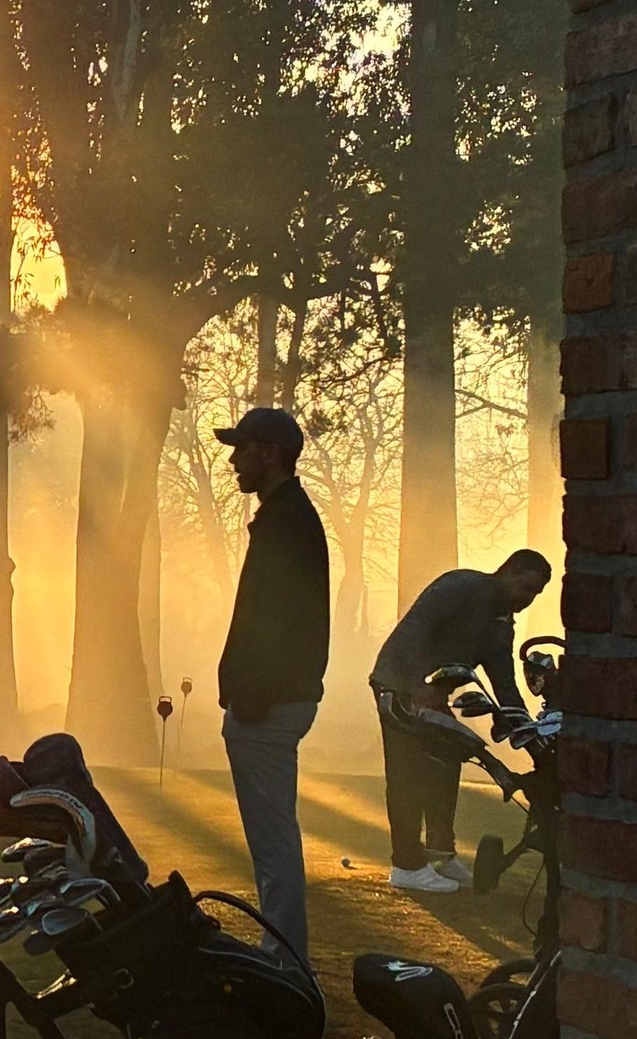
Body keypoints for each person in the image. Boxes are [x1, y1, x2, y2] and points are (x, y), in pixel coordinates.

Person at [215, 406, 331, 967]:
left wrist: (249, 694)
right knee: (272, 839)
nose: (234, 460)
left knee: (273, 841)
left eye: (243, 448)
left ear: (271, 453)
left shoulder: (287, 523)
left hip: (270, 704)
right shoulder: (285, 517)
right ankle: (284, 953)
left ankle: (285, 960)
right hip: (274, 699)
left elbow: (280, 619)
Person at [370, 549, 553, 894]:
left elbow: (504, 684)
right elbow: (415, 630)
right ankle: (406, 865)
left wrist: (530, 734)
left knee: (445, 764)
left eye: (537, 593)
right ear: (510, 572)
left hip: (432, 697)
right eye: (527, 588)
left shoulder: (501, 624)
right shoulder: (461, 586)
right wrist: (418, 687)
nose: (529, 599)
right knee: (407, 772)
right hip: (397, 686)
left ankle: (440, 855)